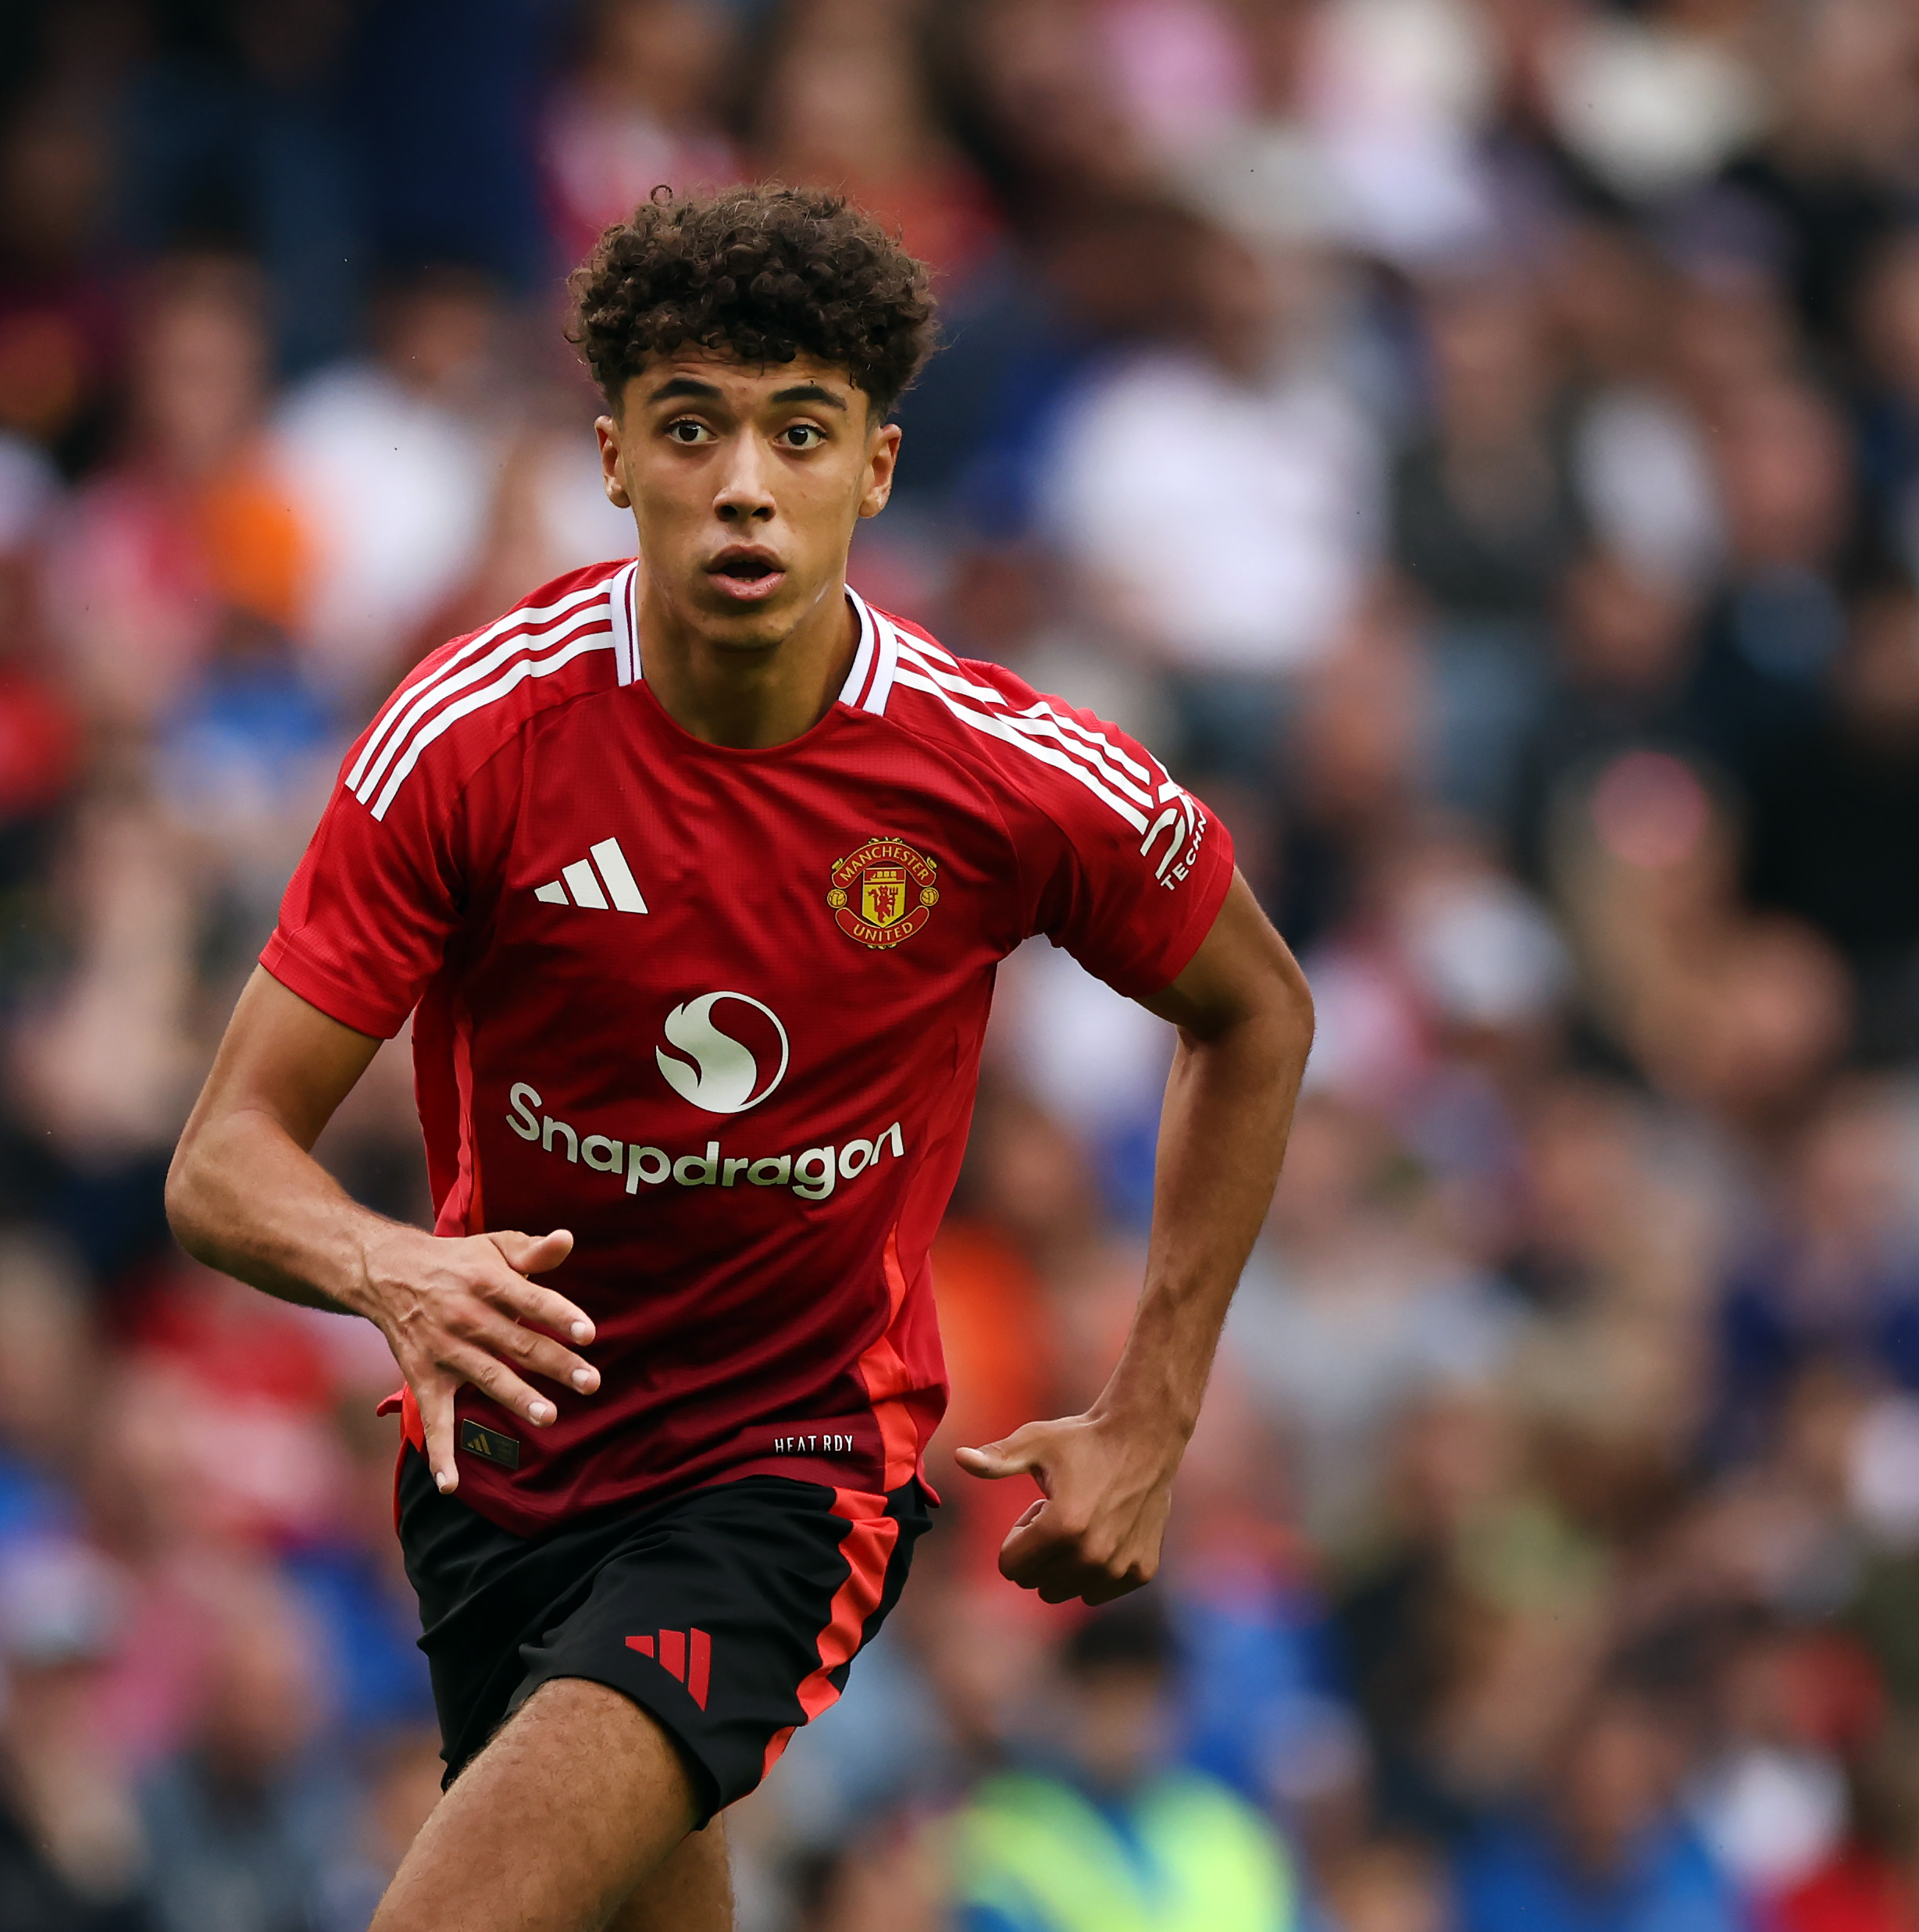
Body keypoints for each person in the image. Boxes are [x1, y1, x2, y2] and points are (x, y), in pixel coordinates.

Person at [163, 184, 1314, 1932]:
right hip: (508, 1461)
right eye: (692, 427)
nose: (746, 482)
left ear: (877, 468)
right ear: (613, 456)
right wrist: (384, 1262)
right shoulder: (474, 742)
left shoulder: (998, 777)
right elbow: (222, 1157)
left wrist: (1152, 1407)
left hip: (790, 1460)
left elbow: (1256, 1010)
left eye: (801, 429)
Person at [948, 1594, 1296, 1932]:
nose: (1124, 1717)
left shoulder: (1228, 1825)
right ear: (1061, 1696)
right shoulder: (1005, 1824)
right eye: (1103, 1691)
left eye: (1143, 1691)